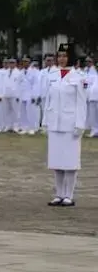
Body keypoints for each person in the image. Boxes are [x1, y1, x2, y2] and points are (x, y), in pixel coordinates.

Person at [44, 44, 87, 207]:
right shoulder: (52, 75)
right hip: (55, 122)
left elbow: (81, 103)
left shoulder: (79, 77)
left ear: (71, 58)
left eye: (65, 56)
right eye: (59, 56)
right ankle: (59, 194)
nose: (61, 59)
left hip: (71, 123)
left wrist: (80, 124)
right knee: (56, 161)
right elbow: (48, 99)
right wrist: (45, 121)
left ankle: (69, 195)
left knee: (70, 162)